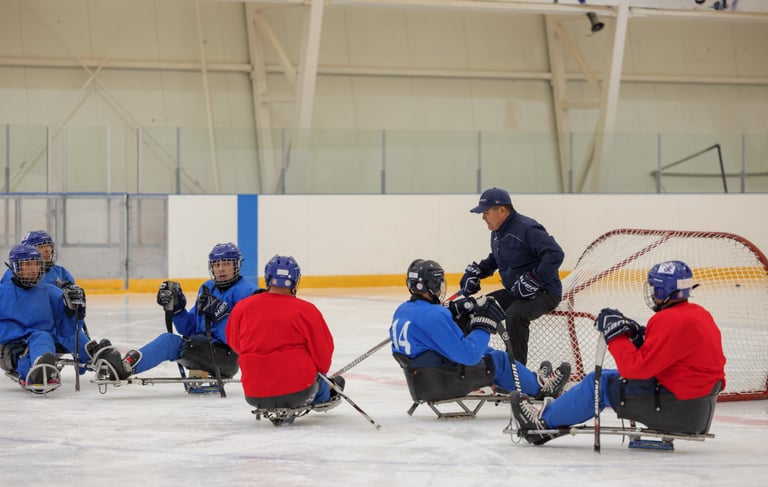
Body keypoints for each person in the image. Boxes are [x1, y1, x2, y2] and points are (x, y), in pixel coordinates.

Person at [510, 260, 726, 445]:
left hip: (675, 407)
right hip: (694, 406)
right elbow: (666, 352)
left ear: (663, 291)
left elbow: (634, 369)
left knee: (598, 383)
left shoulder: (668, 320)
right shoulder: (699, 315)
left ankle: (541, 425)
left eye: (654, 287)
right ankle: (550, 416)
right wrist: (637, 335)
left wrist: (616, 336)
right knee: (608, 377)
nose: (652, 292)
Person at [390, 258, 570, 403]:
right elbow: (469, 356)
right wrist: (483, 324)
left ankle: (532, 378)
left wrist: (452, 310)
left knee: (487, 351)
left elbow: (429, 327)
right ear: (432, 285)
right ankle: (542, 388)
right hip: (442, 382)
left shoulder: (403, 310)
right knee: (498, 360)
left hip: (424, 380)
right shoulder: (434, 315)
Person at [108, 242, 258, 381]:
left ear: (236, 265)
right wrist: (178, 309)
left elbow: (246, 339)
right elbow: (190, 329)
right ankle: (123, 365)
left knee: (169, 342)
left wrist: (221, 315)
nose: (221, 269)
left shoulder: (247, 292)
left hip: (226, 357)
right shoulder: (207, 287)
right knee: (171, 341)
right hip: (204, 348)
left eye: (226, 264)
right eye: (216, 264)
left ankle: (124, 368)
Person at [459, 187, 565, 366]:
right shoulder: (497, 232)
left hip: (545, 292)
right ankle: (469, 363)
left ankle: (517, 371)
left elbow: (555, 253)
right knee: (476, 308)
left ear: (502, 210)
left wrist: (535, 280)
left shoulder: (527, 228)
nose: (483, 217)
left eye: (486, 212)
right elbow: (497, 258)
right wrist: (478, 272)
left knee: (515, 315)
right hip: (516, 292)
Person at [227, 255, 344, 413]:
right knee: (320, 377)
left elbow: (234, 343)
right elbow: (323, 355)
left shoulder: (242, 307)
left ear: (268, 278)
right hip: (299, 391)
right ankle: (324, 394)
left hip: (254, 393)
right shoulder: (307, 310)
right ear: (295, 280)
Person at [0, 244, 123, 394]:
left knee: (61, 335)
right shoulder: (3, 292)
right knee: (41, 337)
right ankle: (38, 369)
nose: (33, 269)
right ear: (15, 267)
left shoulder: (50, 291)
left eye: (36, 264)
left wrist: (75, 311)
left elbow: (67, 329)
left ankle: (95, 356)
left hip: (45, 340)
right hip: (13, 346)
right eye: (27, 264)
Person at [1, 230, 90, 337]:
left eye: (48, 246)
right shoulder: (14, 276)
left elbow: (71, 304)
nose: (47, 250)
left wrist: (72, 301)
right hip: (34, 325)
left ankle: (88, 347)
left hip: (59, 322)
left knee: (74, 335)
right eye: (41, 247)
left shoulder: (60, 272)